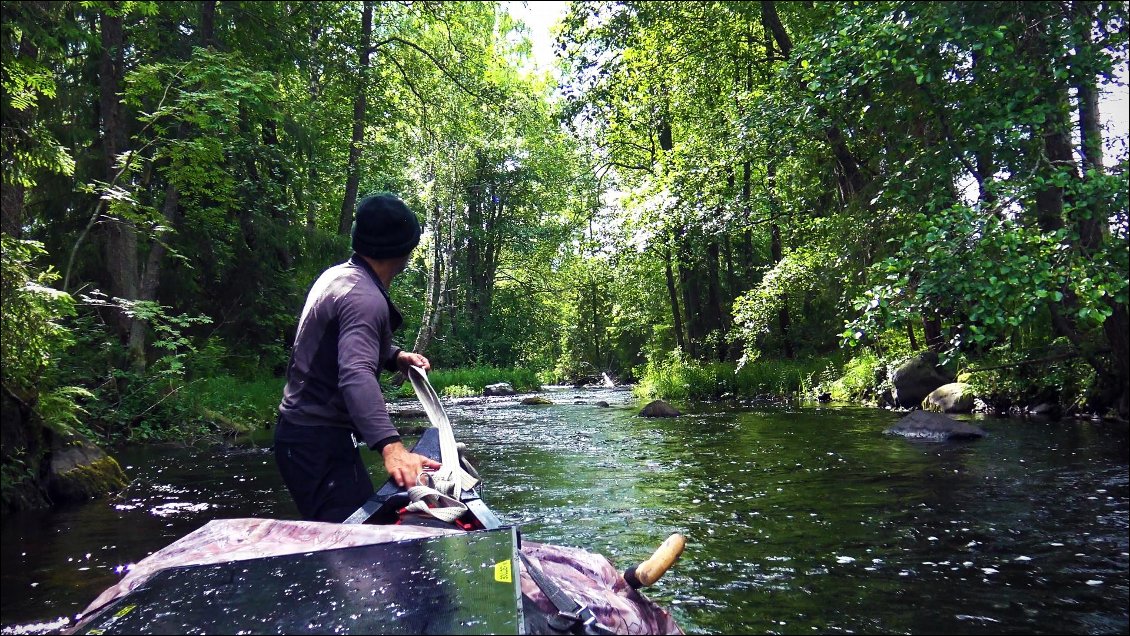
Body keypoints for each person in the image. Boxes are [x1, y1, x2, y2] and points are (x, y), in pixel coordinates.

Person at [275, 192, 440, 522]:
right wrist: (392, 448)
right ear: (403, 250)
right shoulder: (365, 298)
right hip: (315, 443)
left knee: (365, 528)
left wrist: (395, 357)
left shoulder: (338, 277)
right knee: (354, 551)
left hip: (306, 437)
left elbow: (336, 348)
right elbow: (355, 373)